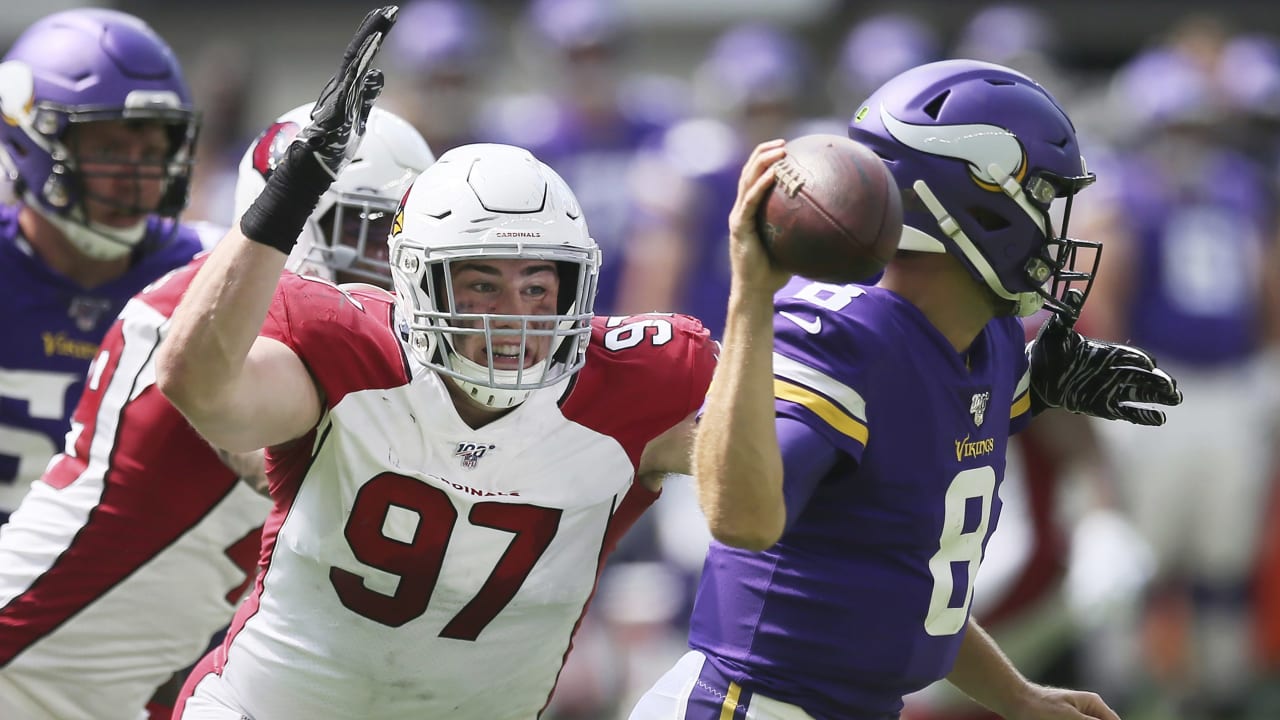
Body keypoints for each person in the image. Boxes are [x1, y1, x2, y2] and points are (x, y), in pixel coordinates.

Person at [158, 8, 717, 719]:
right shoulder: (355, 351)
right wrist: (288, 196)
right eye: (481, 284)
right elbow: (199, 386)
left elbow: (780, 473)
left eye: (538, 286)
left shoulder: (629, 385)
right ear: (418, 283)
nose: (514, 316)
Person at [629, 59, 1183, 720]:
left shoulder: (992, 341)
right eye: (1043, 197)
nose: (1059, 227)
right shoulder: (840, 336)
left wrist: (1017, 696)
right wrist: (751, 298)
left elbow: (909, 591)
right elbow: (742, 521)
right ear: (973, 200)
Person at [0, 102, 434, 720]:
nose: (383, 263)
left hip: (122, 684)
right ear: (288, 210)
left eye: (397, 239)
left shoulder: (338, 339)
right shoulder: (203, 317)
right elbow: (282, 462)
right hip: (23, 657)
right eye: (364, 231)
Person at [0, 8, 214, 524]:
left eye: (153, 150)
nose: (136, 179)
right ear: (29, 141)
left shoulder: (204, 271)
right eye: (110, 148)